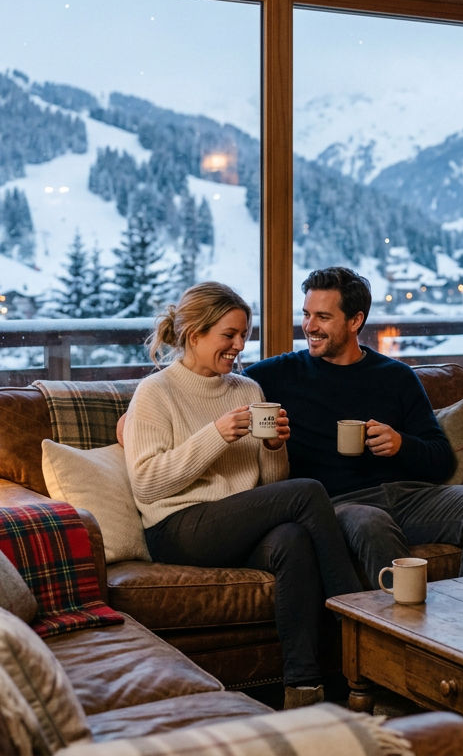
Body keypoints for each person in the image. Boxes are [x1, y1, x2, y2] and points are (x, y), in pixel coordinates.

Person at [122, 281, 361, 710]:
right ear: (194, 335)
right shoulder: (156, 393)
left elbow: (269, 487)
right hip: (177, 526)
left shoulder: (247, 391)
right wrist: (215, 436)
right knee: (307, 492)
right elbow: (147, 482)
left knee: (292, 540)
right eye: (228, 335)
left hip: (233, 525)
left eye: (243, 335)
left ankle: (304, 688)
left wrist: (273, 447)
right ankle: (361, 621)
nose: (238, 346)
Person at [245, 266, 463, 589]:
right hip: (338, 505)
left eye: (322, 317)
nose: (309, 327)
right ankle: (403, 635)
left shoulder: (396, 377)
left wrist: (401, 444)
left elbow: (442, 460)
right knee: (373, 525)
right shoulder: (278, 375)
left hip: (408, 497)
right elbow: (224, 384)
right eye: (306, 314)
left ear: (355, 321)